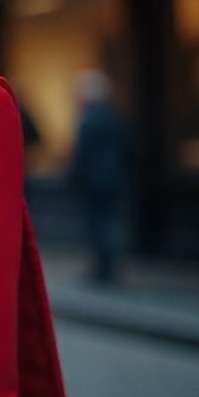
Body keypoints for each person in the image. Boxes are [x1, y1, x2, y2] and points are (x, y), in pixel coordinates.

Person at [69, 69, 130, 285]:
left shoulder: (88, 120)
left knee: (98, 223)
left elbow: (82, 153)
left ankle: (103, 265)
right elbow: (127, 149)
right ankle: (109, 263)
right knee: (109, 221)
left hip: (94, 181)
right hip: (114, 179)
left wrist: (74, 177)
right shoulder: (114, 118)